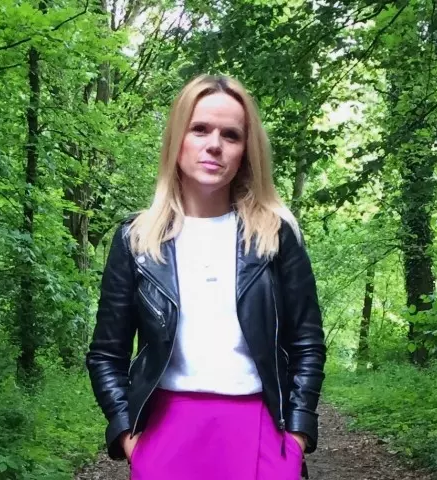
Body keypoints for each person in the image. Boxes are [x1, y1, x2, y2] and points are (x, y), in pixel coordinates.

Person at [86, 74, 326, 480]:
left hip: (260, 433)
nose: (214, 144)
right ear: (177, 138)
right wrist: (128, 438)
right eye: (199, 129)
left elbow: (306, 343)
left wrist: (297, 437)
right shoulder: (136, 239)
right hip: (166, 435)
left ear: (245, 151)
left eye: (231, 135)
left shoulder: (275, 235)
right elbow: (107, 354)